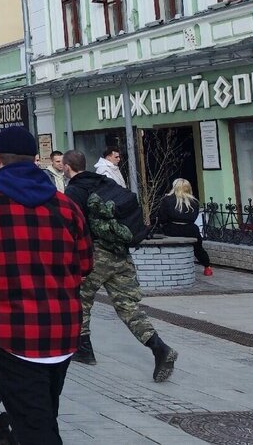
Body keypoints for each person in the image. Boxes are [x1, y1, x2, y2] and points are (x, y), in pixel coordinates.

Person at [0, 127, 91, 445]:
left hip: (12, 332)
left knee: (34, 428)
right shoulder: (67, 208)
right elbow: (84, 265)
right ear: (35, 160)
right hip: (62, 331)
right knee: (42, 414)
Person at [63, 149, 178, 382]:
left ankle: (84, 350)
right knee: (128, 307)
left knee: (79, 300)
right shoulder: (103, 181)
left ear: (66, 167)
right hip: (120, 253)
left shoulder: (74, 190)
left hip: (95, 255)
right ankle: (159, 347)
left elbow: (75, 228)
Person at [159, 178, 212, 276]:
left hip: (172, 228)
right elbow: (194, 217)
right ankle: (207, 266)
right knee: (198, 248)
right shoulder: (194, 202)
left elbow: (162, 218)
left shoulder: (167, 200)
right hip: (190, 229)